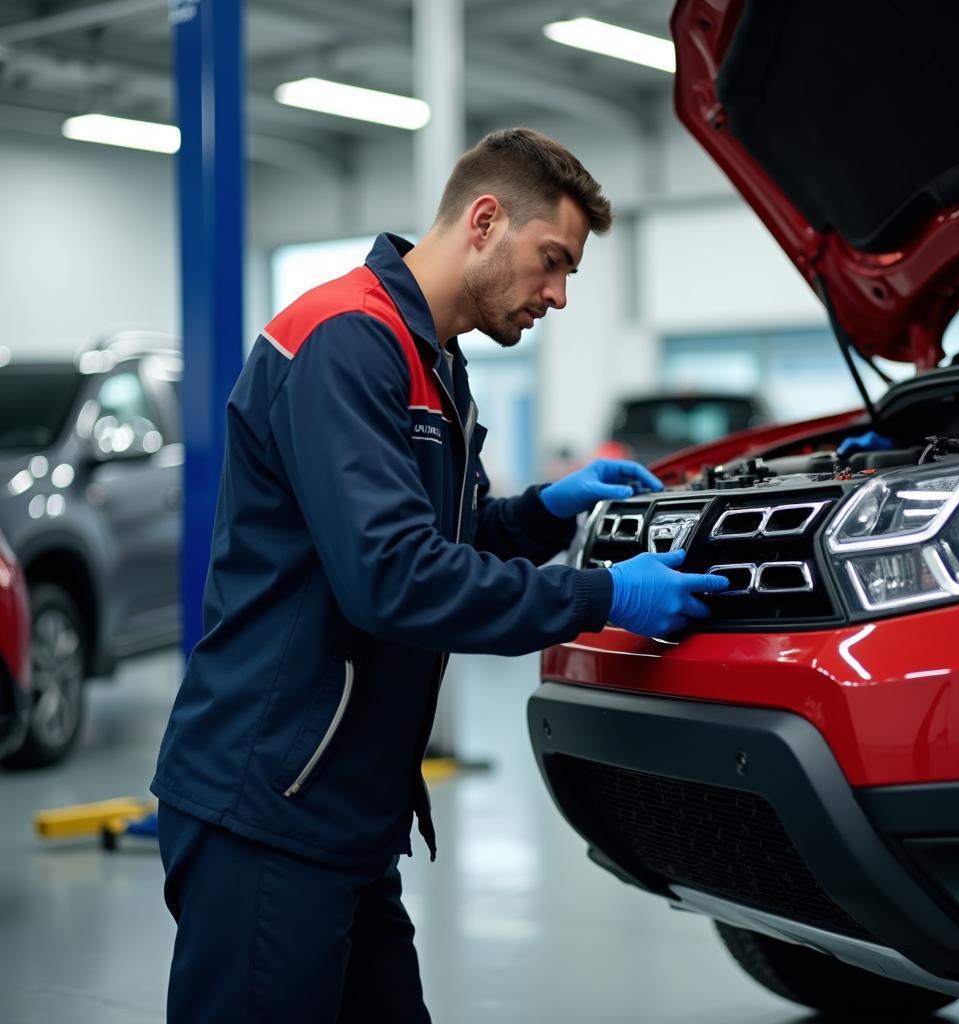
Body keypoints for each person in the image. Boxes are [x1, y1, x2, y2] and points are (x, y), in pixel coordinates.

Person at [152, 126, 729, 1023]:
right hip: (266, 806)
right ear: (486, 220)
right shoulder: (347, 340)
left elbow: (446, 540)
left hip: (343, 808)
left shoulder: (432, 361)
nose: (559, 295)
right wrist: (606, 596)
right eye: (552, 261)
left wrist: (545, 511)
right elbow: (396, 578)